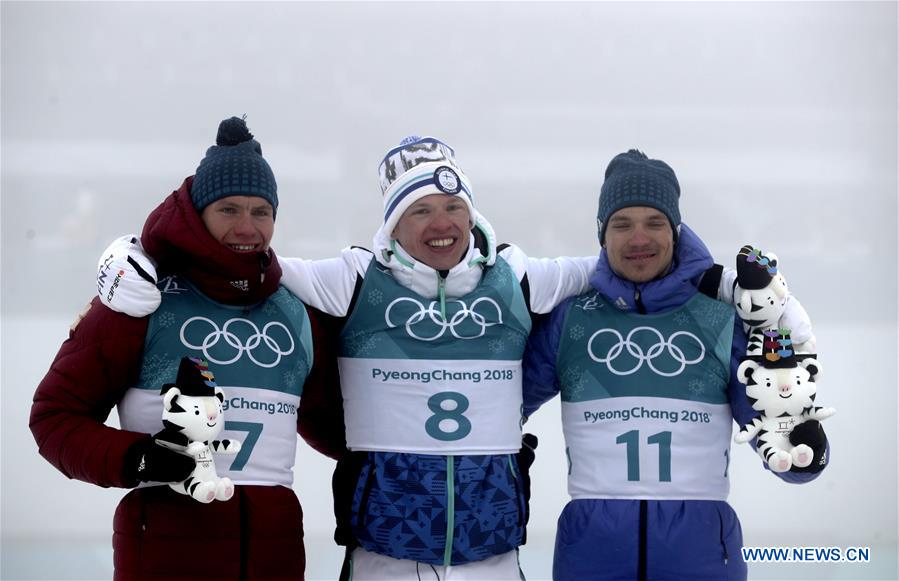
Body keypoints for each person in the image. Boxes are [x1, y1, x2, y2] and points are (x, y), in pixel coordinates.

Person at [97, 135, 596, 580]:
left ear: (472, 212)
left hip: (494, 551)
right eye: (419, 210)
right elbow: (242, 258)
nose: (442, 223)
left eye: (453, 206)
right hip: (384, 552)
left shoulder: (518, 277)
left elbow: (618, 265)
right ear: (393, 225)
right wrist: (134, 256)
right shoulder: (353, 281)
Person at [30, 116, 337, 580]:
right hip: (164, 555)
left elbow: (342, 427)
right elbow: (54, 418)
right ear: (198, 212)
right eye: (228, 209)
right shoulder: (141, 300)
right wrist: (141, 458)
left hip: (273, 558)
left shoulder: (295, 312)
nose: (247, 227)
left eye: (261, 212)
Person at [521, 149, 830, 580]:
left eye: (654, 223)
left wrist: (804, 450)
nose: (638, 239)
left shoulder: (720, 320)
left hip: (700, 552)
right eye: (622, 224)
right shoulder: (569, 319)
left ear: (676, 231)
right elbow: (499, 406)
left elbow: (774, 429)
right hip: (591, 552)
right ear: (602, 234)